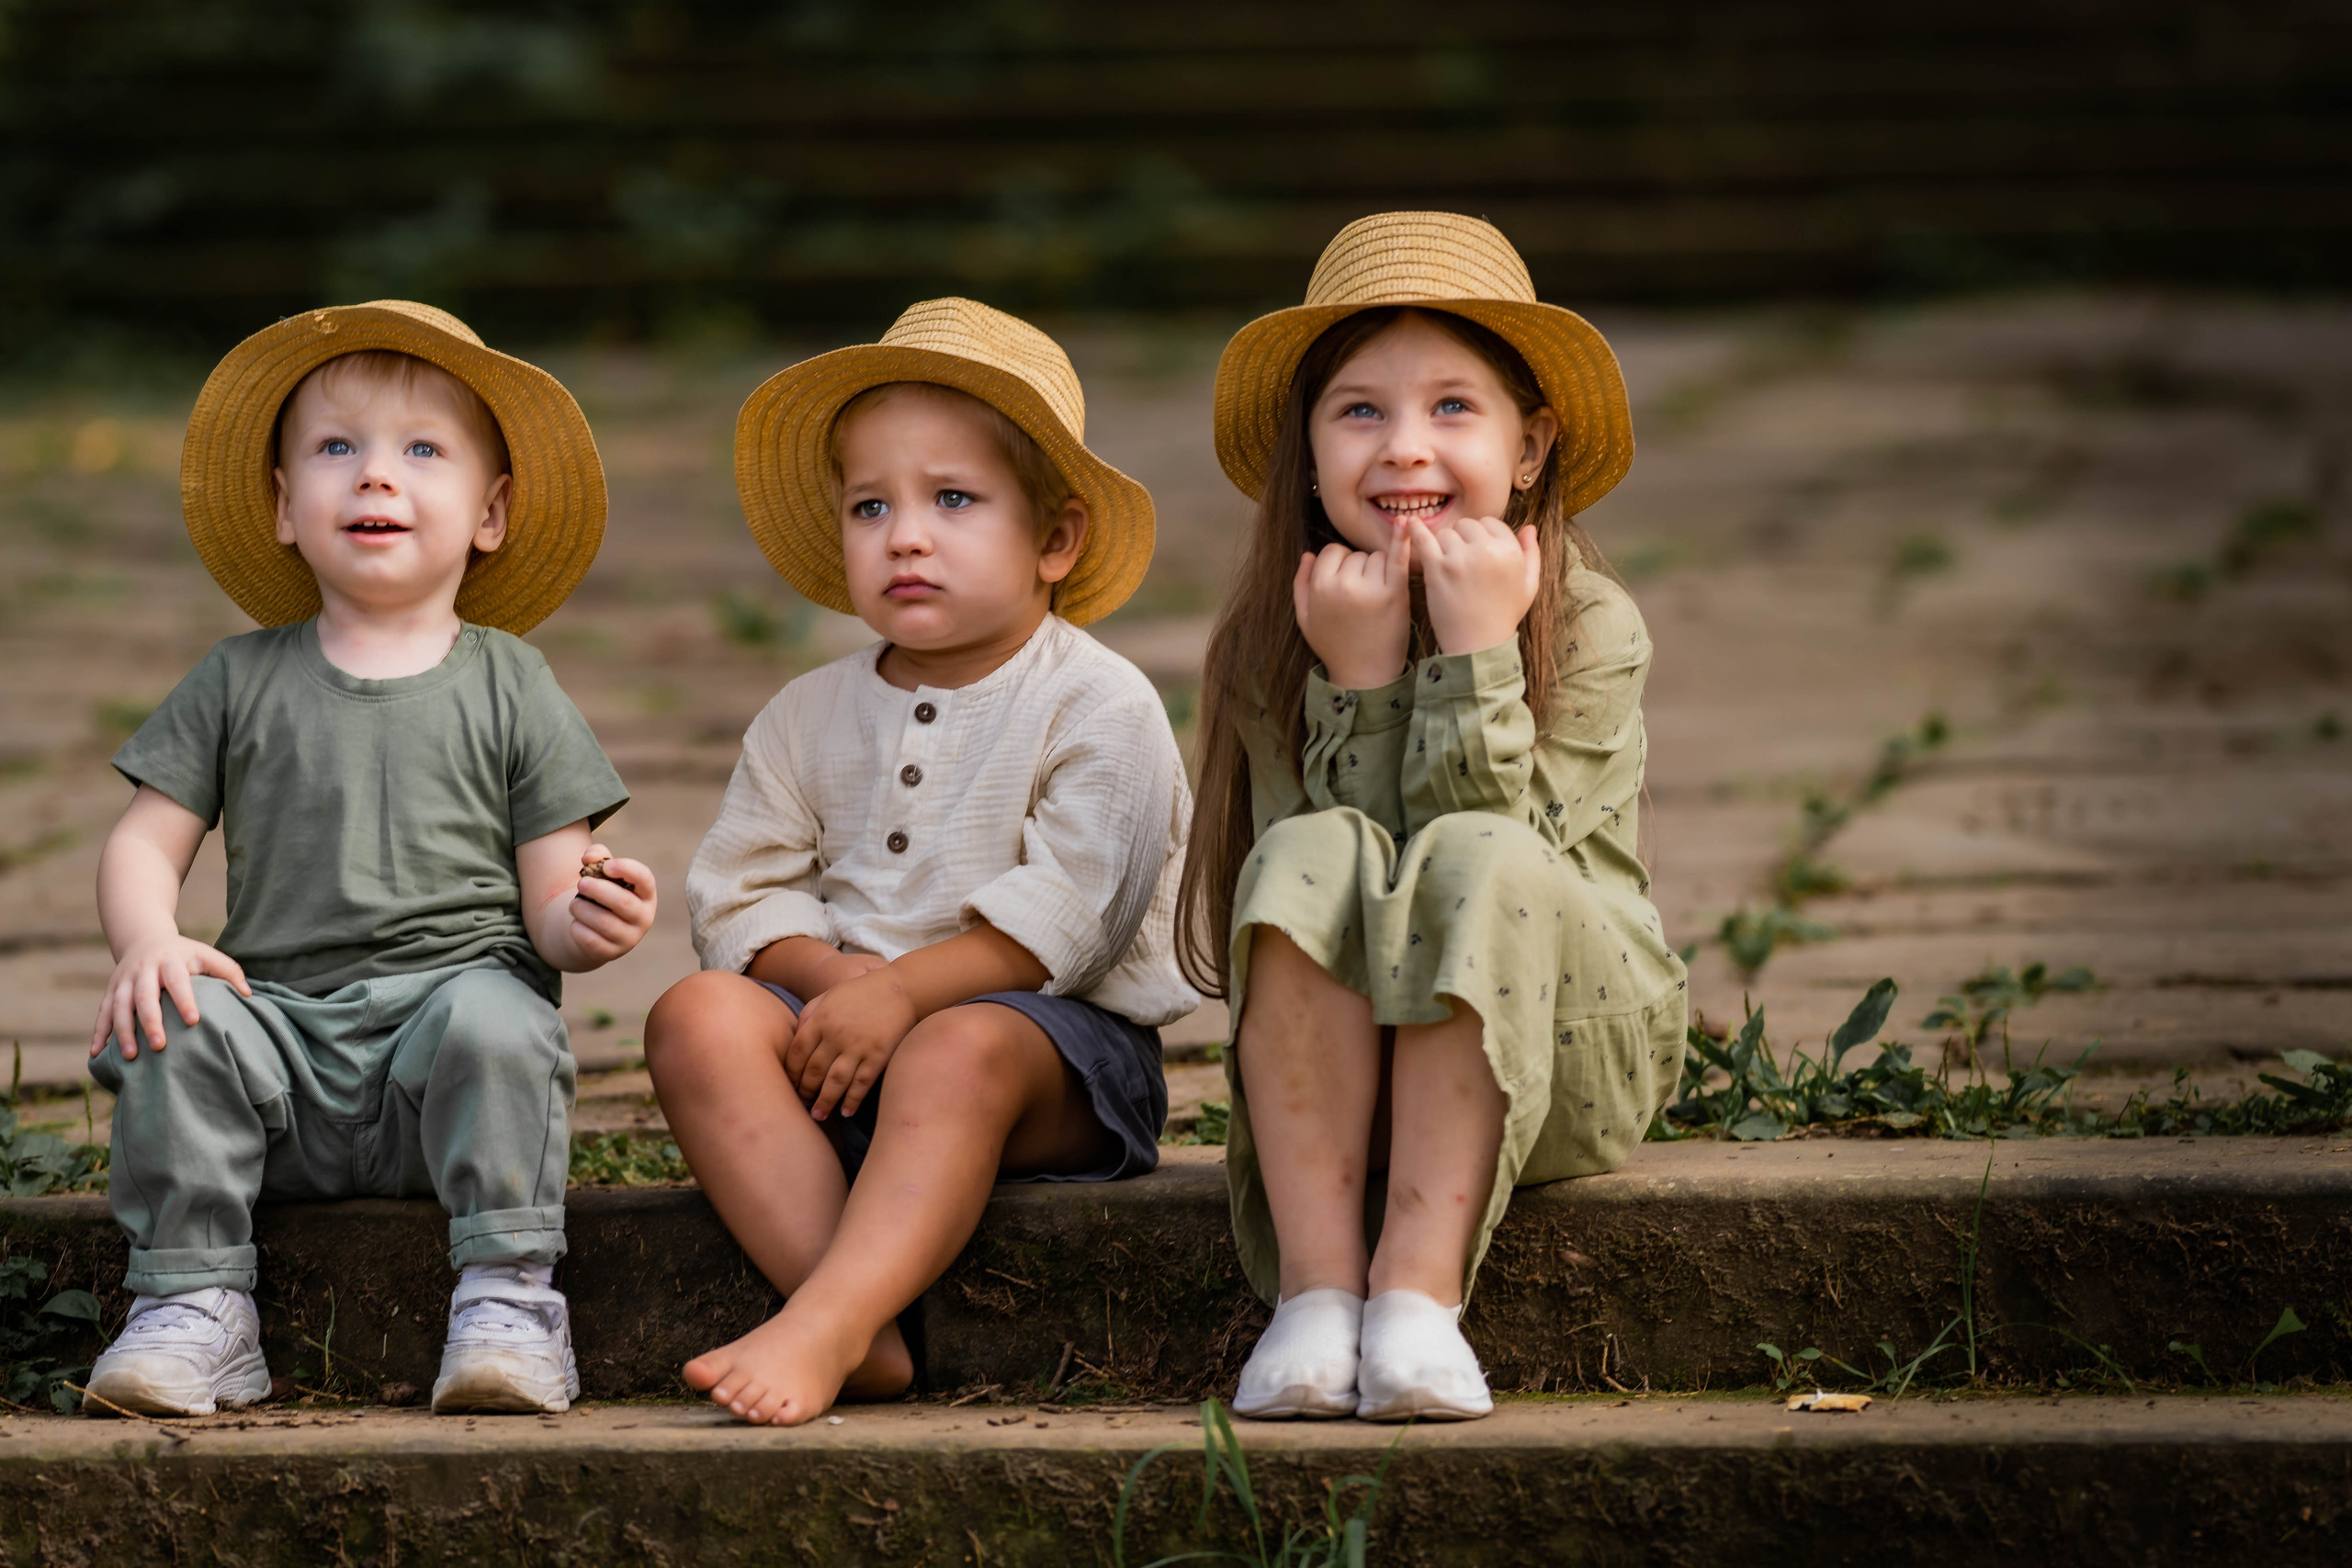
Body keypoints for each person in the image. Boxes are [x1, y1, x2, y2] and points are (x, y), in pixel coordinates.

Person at [84, 302, 654, 1418]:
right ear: (285, 507)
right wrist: (150, 940)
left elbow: (550, 905)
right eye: (335, 450)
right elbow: (144, 840)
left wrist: (584, 924)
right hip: (279, 1059)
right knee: (178, 1018)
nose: (375, 479)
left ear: (489, 513)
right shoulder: (237, 679)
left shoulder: (512, 682)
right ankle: (193, 1309)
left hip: (439, 1065)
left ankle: (506, 1296)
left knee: (504, 1021)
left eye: (421, 451)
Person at [646, 298, 1197, 1427]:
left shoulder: (1096, 703)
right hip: (840, 1038)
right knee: (695, 1014)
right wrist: (837, 981)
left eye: (953, 500)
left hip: (1051, 1057)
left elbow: (1073, 916)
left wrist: (901, 992)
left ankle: (823, 1322)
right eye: (870, 505)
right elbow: (738, 891)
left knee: (954, 1049)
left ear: (1055, 540)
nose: (905, 534)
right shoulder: (807, 714)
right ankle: (858, 1325)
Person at [1177, 213, 1687, 1422]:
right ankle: (1314, 1294)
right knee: (1308, 846)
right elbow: (1333, 902)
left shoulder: (1591, 623)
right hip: (1350, 1084)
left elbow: (1507, 883)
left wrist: (1472, 658)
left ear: (1530, 446)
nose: (1405, 446)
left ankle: (1416, 1296)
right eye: (1359, 410)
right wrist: (1347, 683)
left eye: (1454, 406)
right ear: (1307, 453)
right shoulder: (1272, 647)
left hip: (1564, 1055)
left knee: (1477, 847)